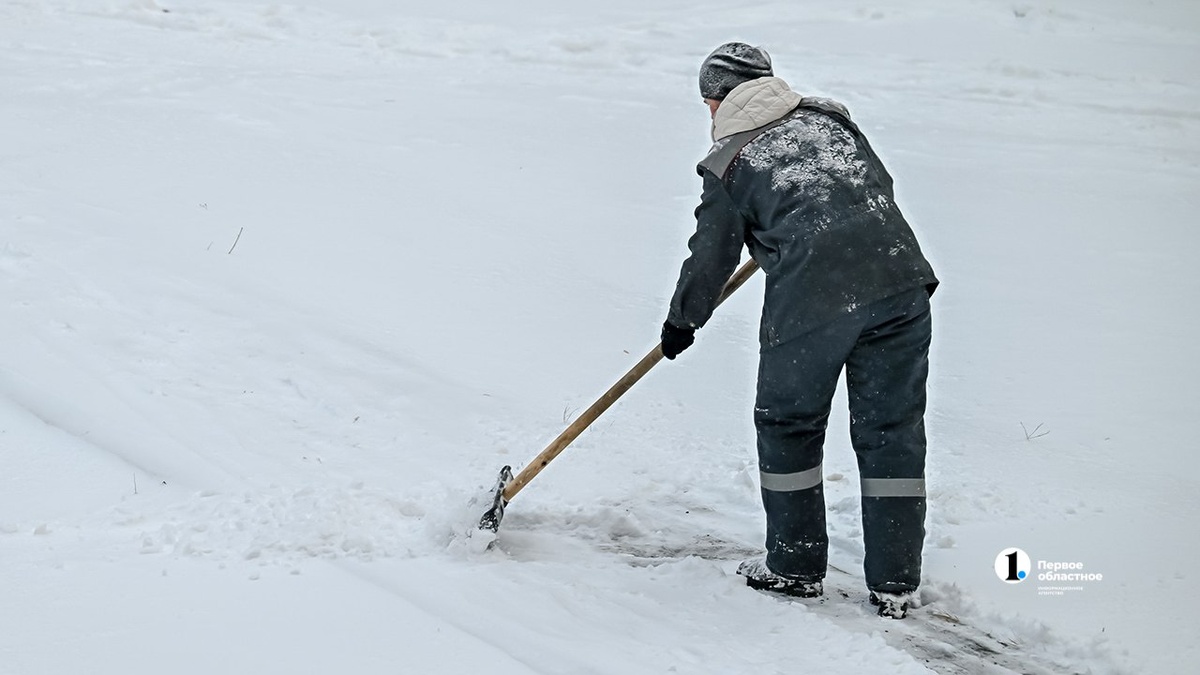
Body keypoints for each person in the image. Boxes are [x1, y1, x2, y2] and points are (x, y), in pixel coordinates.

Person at [661, 42, 938, 619]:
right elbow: (872, 189)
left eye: (707, 102)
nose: (708, 113)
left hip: (815, 304)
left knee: (788, 424)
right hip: (900, 283)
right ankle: (895, 583)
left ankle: (794, 566)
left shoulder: (729, 162)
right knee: (892, 431)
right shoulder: (831, 119)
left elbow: (711, 257)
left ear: (719, 99)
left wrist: (683, 319)